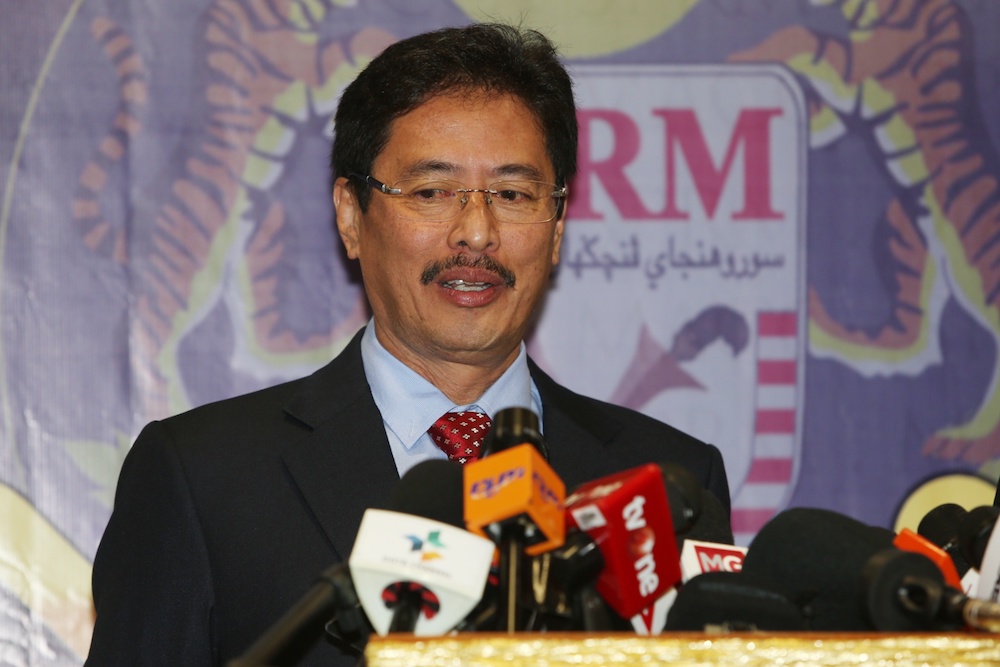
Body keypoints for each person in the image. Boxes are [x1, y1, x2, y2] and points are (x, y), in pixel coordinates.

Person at [85, 23, 730, 667]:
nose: (476, 234)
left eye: (512, 194)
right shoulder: (204, 480)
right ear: (350, 214)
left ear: (556, 226)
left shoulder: (669, 488)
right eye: (431, 192)